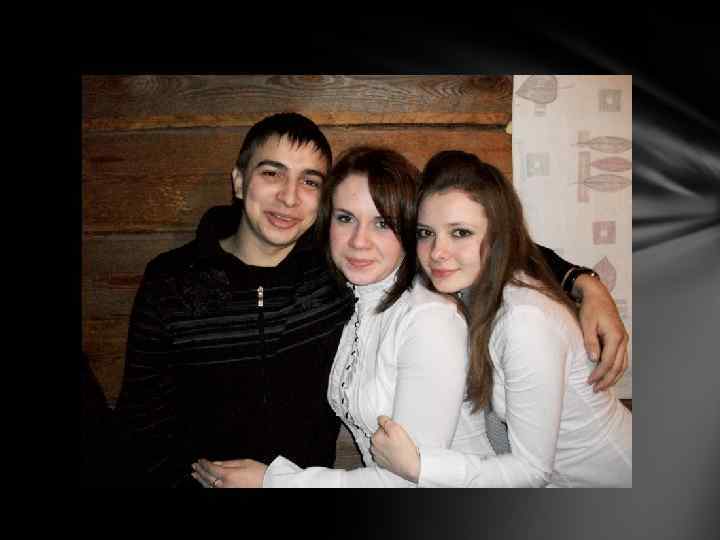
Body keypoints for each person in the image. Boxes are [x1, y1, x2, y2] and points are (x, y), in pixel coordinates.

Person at [114, 112, 625, 488]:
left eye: (309, 182)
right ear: (239, 180)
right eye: (272, 173)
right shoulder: (322, 273)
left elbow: (477, 228)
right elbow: (141, 421)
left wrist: (582, 280)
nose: (289, 197)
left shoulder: (407, 303)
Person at [369, 150, 632, 487]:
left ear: (497, 237)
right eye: (425, 233)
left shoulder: (524, 321)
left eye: (460, 233)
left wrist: (420, 466)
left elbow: (533, 471)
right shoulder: (471, 290)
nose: (437, 252)